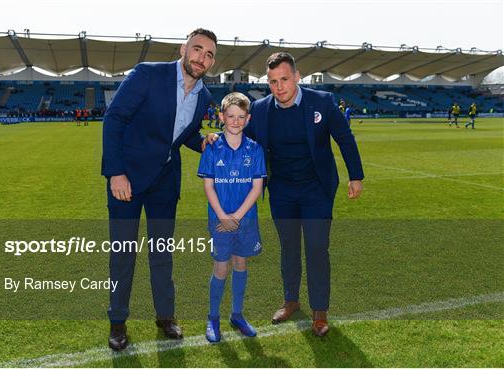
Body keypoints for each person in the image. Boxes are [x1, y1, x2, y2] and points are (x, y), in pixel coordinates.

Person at [101, 28, 217, 351]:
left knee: (162, 253)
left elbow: (182, 134)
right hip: (128, 179)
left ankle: (165, 316)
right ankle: (118, 321)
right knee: (123, 254)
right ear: (184, 48)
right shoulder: (147, 75)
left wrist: (202, 140)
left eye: (209, 54)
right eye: (197, 49)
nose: (201, 58)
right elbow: (114, 119)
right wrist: (116, 173)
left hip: (165, 182)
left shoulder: (204, 96)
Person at [245, 52, 364, 337]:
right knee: (288, 248)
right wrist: (217, 139)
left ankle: (319, 312)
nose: (279, 86)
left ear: (297, 77)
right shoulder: (260, 109)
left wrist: (356, 175)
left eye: (284, 79)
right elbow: (242, 137)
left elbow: (344, 137)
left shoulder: (321, 102)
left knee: (316, 248)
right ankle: (291, 301)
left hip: (316, 190)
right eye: (273, 81)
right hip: (282, 191)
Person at [197, 92, 266, 343]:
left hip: (245, 221)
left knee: (241, 264)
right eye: (231, 116)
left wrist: (236, 216)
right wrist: (224, 217)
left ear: (247, 119)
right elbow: (208, 187)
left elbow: (257, 188)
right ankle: (213, 318)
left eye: (241, 116)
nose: (235, 121)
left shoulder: (255, 149)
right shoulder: (213, 147)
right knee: (221, 267)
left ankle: (237, 315)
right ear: (221, 117)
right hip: (220, 221)